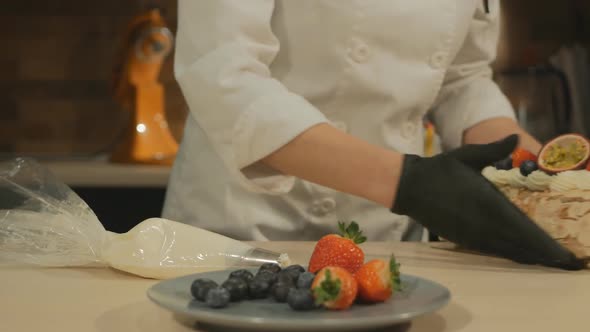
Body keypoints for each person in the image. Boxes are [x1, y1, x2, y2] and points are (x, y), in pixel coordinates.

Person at [162, 0, 583, 269]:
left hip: (388, 245)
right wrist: (410, 184)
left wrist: (538, 170)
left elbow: (461, 78)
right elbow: (223, 74)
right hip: (245, 235)